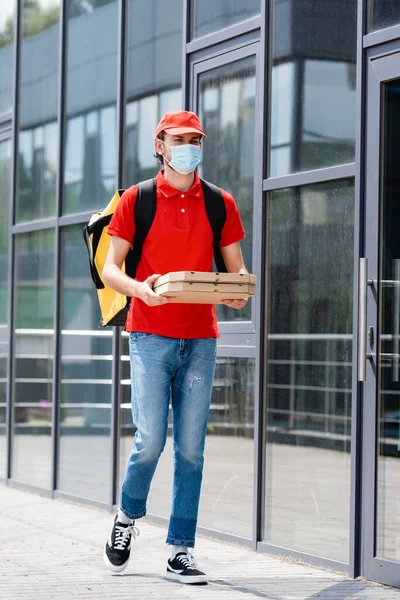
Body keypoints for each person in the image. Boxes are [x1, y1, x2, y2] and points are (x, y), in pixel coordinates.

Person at [102, 110, 248, 584]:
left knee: (191, 450)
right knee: (150, 442)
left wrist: (237, 289)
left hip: (201, 339)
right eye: (179, 139)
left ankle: (179, 550)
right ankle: (127, 517)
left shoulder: (220, 203)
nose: (189, 146)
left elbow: (236, 273)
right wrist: (140, 290)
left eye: (196, 139)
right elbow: (111, 269)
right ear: (160, 145)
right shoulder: (136, 200)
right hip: (148, 335)